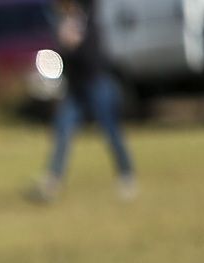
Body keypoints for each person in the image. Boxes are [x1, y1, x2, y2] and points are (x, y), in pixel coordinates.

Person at [31, 0, 136, 202]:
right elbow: (62, 58)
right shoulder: (62, 24)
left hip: (97, 84)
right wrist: (65, 46)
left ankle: (126, 175)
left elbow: (92, 57)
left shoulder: (88, 20)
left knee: (111, 130)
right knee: (62, 129)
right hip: (75, 89)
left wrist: (76, 44)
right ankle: (53, 180)